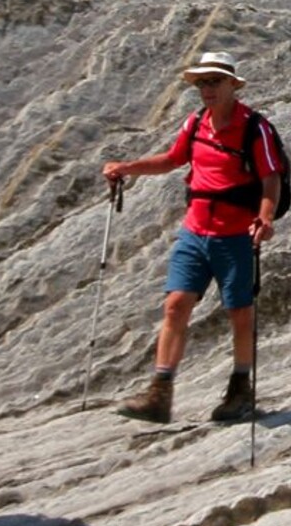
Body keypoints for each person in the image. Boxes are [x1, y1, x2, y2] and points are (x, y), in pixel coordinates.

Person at [104, 52, 281, 424]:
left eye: (215, 81)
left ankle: (240, 388)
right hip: (195, 231)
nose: (207, 88)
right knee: (175, 304)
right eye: (202, 82)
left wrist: (264, 218)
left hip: (235, 235)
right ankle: (159, 392)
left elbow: (270, 177)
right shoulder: (196, 122)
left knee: (240, 313)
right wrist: (127, 168)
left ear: (233, 84)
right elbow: (172, 159)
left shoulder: (255, 128)